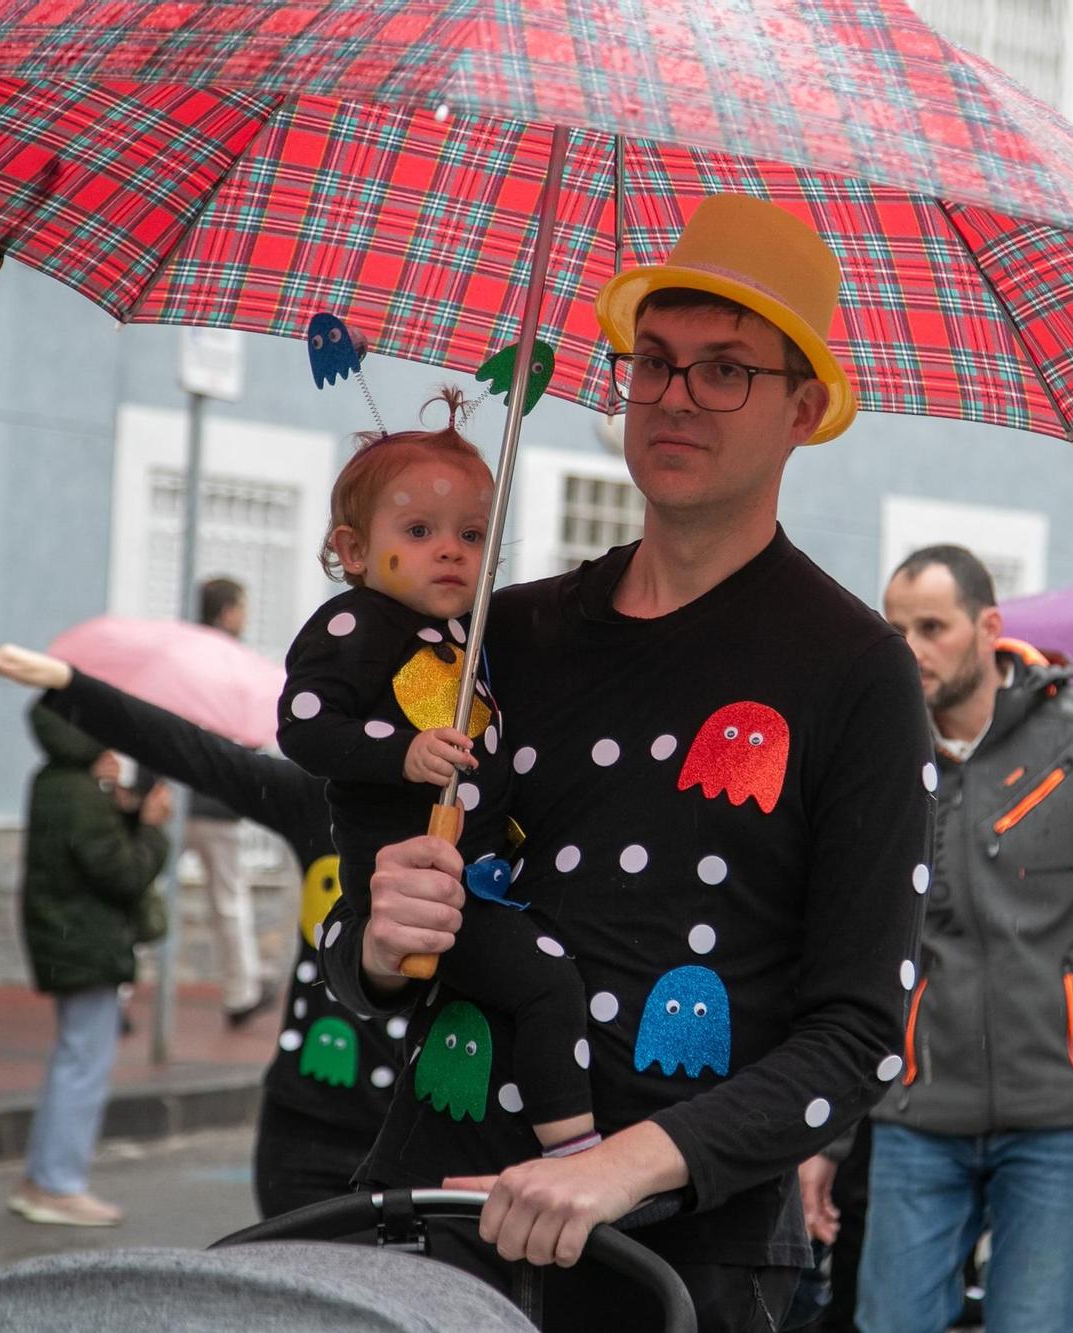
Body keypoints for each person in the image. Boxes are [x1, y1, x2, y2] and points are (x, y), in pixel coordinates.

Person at [319, 194, 934, 1332]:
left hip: (676, 1262)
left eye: (723, 370)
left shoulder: (854, 670)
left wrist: (620, 1166)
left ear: (803, 407)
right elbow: (357, 949)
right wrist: (376, 937)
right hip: (428, 1215)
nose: (672, 397)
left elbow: (859, 1035)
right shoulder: (501, 634)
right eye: (651, 361)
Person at [848, 549, 1073, 1332]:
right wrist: (826, 1138)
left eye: (932, 626)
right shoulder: (879, 752)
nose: (910, 646)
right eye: (895, 626)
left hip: (1062, 1115)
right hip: (916, 1112)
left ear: (989, 628)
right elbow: (856, 950)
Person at [0, 643, 402, 1218]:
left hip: (412, 1139)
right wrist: (69, 684)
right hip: (304, 1128)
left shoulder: (484, 830)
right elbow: (194, 752)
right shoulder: (320, 802)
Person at [278, 393, 596, 1159]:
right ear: (353, 550)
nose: (450, 550)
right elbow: (302, 724)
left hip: (476, 867)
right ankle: (574, 1151)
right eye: (418, 532)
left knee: (524, 991)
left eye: (472, 534)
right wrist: (402, 754)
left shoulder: (467, 631)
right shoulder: (351, 625)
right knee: (548, 986)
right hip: (415, 876)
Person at [8, 699, 170, 1226]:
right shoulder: (79, 791)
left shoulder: (54, 781)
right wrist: (149, 827)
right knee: (83, 1064)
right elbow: (120, 871)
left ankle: (42, 1178)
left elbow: (88, 850)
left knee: (71, 1058)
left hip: (67, 942)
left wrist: (116, 803)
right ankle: (57, 1184)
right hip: (86, 944)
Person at [189, 576, 271, 1028]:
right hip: (217, 804)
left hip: (173, 799)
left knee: (143, 897)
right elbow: (251, 732)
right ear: (227, 612)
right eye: (241, 607)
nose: (246, 615)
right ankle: (241, 994)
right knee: (230, 902)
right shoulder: (234, 665)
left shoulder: (182, 658)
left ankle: (117, 993)